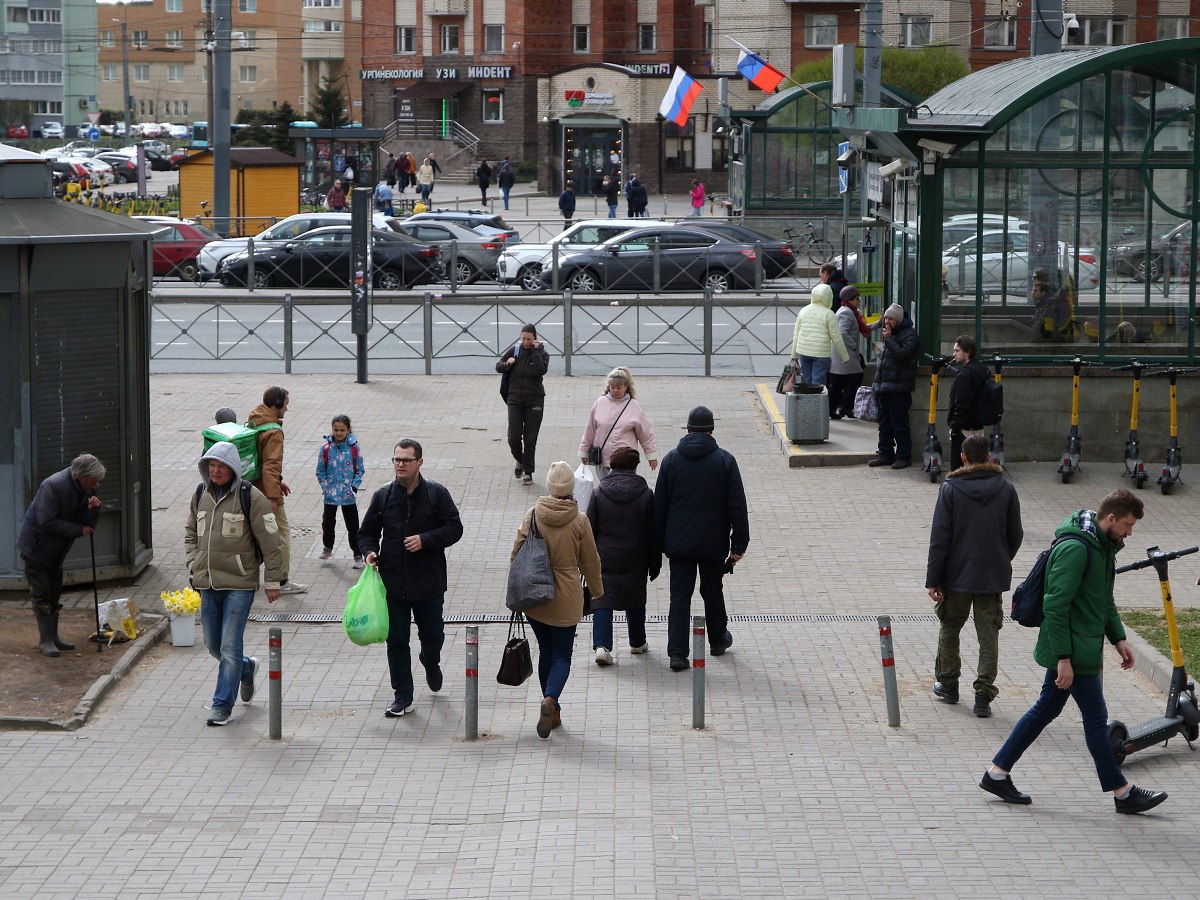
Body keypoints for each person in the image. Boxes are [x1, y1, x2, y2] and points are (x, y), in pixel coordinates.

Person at [980, 489, 1168, 815]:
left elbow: (1102, 599)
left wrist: (1118, 638)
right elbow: (1055, 606)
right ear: (1111, 518)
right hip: (1074, 652)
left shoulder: (1103, 548)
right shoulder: (1076, 549)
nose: (1129, 533)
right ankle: (1122, 793)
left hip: (1081, 646)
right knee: (1095, 720)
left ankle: (997, 773)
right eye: (1127, 525)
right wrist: (1063, 659)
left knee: (1044, 710)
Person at [359, 439, 464, 718]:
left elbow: (455, 528)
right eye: (397, 459)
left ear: (420, 462)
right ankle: (402, 696)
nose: (401, 464)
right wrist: (369, 552)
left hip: (429, 584)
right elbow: (367, 533)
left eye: (406, 460)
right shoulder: (383, 496)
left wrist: (426, 540)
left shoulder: (436, 494)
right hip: (393, 584)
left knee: (433, 637)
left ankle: (430, 660)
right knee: (396, 641)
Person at [185, 441, 284, 726]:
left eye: (221, 466)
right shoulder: (200, 493)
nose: (215, 471)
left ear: (233, 469)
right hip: (207, 583)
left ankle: (221, 706)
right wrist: (193, 563)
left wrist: (273, 581)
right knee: (214, 646)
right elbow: (190, 532)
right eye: (211, 465)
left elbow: (271, 541)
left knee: (229, 645)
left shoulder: (250, 496)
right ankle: (246, 668)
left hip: (239, 584)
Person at [925, 435, 1023, 718]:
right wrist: (1000, 558)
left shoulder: (950, 489)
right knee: (988, 633)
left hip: (956, 574)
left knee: (950, 626)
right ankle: (983, 694)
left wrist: (934, 578)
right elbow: (1015, 534)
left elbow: (940, 538)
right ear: (990, 456)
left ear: (963, 458)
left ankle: (948, 684)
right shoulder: (1006, 489)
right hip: (991, 575)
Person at [510, 461, 603, 738]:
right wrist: (597, 590)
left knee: (546, 651)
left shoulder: (533, 514)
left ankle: (553, 710)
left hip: (535, 597)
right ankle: (550, 700)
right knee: (562, 655)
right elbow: (590, 561)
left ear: (550, 486)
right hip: (566, 596)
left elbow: (516, 552)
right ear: (570, 487)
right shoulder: (579, 520)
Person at [654, 406, 749, 672]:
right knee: (712, 590)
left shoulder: (671, 460)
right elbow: (737, 506)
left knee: (679, 596)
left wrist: (658, 544)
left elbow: (659, 507)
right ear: (711, 431)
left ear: (688, 429)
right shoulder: (725, 461)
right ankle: (718, 640)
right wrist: (739, 544)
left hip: (679, 543)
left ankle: (677, 653)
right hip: (713, 542)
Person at [17, 454, 105, 657]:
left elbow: (88, 524)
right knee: (42, 594)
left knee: (55, 590)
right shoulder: (53, 486)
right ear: (81, 477)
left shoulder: (91, 488)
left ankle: (54, 637)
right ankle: (46, 640)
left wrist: (94, 510)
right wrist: (78, 530)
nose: (96, 485)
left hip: (58, 549)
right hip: (36, 548)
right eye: (93, 480)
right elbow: (46, 520)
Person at [586, 447, 660, 664]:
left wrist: (587, 560)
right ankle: (637, 641)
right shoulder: (646, 494)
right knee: (635, 595)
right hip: (636, 555)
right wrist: (655, 562)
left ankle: (602, 646)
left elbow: (589, 528)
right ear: (635, 466)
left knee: (602, 598)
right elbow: (653, 531)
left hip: (605, 555)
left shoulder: (599, 492)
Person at [247, 386, 306, 594]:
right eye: (286, 404)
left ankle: (246, 578)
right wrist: (273, 496)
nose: (287, 409)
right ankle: (281, 580)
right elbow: (270, 464)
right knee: (281, 535)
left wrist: (278, 481)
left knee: (251, 535)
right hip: (266, 492)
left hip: (251, 488)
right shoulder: (274, 431)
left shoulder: (255, 420)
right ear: (278, 404)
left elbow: (258, 459)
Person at [579, 367, 658, 477]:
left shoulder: (634, 406)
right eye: (613, 387)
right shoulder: (600, 403)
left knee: (622, 486)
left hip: (625, 462)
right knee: (605, 486)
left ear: (626, 387)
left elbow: (646, 434)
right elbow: (589, 430)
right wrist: (584, 451)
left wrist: (651, 456)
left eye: (619, 388)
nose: (615, 390)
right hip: (603, 459)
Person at [497, 324, 551, 485]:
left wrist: (535, 351)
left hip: (534, 400)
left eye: (529, 339)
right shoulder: (515, 350)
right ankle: (521, 460)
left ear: (535, 338)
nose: (526, 342)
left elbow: (539, 371)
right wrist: (508, 364)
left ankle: (528, 471)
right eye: (523, 339)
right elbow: (498, 366)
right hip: (514, 399)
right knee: (513, 437)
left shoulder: (543, 354)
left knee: (530, 438)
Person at [868, 303, 920, 470]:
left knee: (899, 424)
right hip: (884, 387)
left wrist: (889, 339)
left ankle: (903, 456)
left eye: (890, 319)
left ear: (898, 320)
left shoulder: (910, 335)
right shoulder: (890, 335)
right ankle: (886, 453)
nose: (887, 322)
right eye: (886, 318)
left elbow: (902, 355)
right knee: (884, 424)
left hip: (899, 388)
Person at [316, 414, 366, 568]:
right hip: (330, 494)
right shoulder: (325, 448)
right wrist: (326, 487)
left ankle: (357, 554)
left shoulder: (354, 448)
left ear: (348, 430)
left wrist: (354, 487)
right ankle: (328, 547)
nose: (339, 433)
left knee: (353, 526)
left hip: (348, 494)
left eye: (342, 430)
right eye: (336, 430)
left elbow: (360, 470)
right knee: (328, 522)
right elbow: (320, 471)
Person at [946, 334, 991, 472]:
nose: (954, 354)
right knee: (978, 466)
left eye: (957, 350)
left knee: (960, 469)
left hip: (964, 429)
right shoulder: (983, 370)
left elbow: (962, 403)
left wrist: (955, 427)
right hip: (979, 426)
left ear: (968, 352)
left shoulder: (965, 374)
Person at [791, 283, 849, 387]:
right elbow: (836, 338)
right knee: (818, 382)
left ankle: (807, 397)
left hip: (803, 351)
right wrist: (844, 356)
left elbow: (796, 334)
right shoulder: (829, 314)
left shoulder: (804, 310)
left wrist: (794, 355)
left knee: (807, 381)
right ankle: (816, 398)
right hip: (821, 353)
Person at [827, 285, 865, 419]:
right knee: (854, 378)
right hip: (844, 353)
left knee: (841, 381)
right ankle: (843, 407)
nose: (858, 301)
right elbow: (842, 332)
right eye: (857, 298)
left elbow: (861, 328)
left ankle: (842, 408)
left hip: (843, 354)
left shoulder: (847, 311)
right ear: (850, 299)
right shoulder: (846, 313)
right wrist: (853, 345)